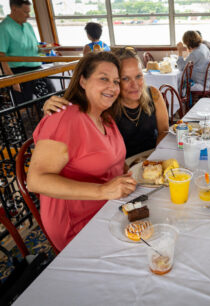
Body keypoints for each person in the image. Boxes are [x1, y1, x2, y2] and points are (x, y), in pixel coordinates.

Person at [27, 52, 138, 251]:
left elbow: (113, 159)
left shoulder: (105, 116)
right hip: (78, 224)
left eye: (115, 81)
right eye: (103, 79)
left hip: (110, 207)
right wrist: (103, 190)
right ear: (83, 81)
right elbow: (35, 181)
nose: (112, 87)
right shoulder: (64, 118)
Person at [43, 48, 169, 159]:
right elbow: (76, 114)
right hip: (121, 168)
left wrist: (154, 159)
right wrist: (50, 110)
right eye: (125, 78)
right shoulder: (105, 105)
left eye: (138, 76)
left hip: (153, 159)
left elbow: (163, 131)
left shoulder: (153, 94)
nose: (135, 85)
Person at [0, 0, 55, 104]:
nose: (28, 16)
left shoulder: (28, 26)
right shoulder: (3, 28)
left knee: (52, 98)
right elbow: (1, 56)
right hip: (18, 72)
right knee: (24, 107)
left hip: (37, 69)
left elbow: (35, 47)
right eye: (25, 12)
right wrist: (12, 80)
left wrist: (44, 50)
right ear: (14, 9)